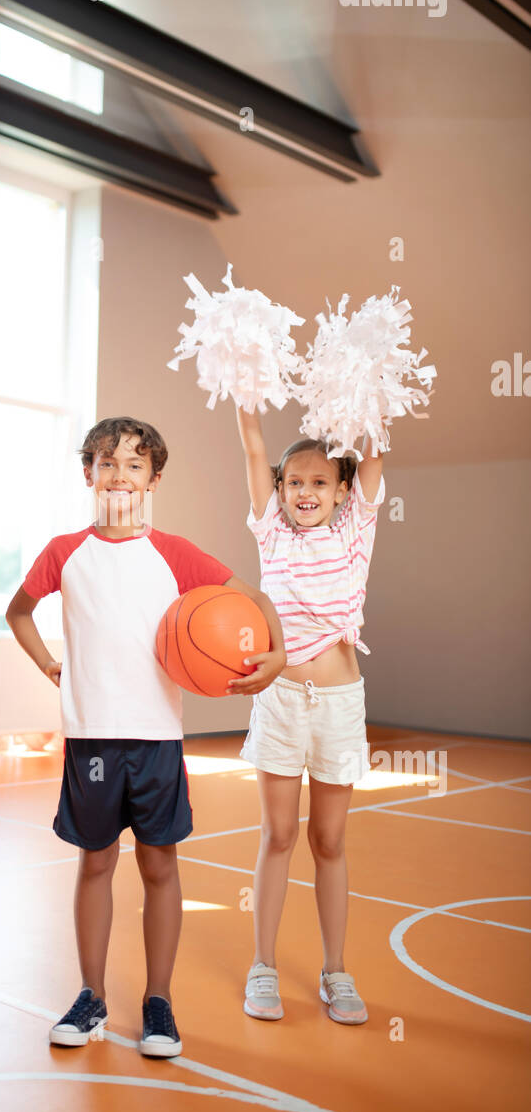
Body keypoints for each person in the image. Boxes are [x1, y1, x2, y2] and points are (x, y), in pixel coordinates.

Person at [6, 417, 286, 1057]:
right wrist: (50, 663)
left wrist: (276, 652)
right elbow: (18, 611)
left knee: (160, 865)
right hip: (91, 740)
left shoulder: (177, 555)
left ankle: (159, 1002)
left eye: (134, 465)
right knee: (96, 863)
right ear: (88, 475)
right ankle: (91, 996)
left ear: (154, 479)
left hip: (157, 739)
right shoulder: (64, 551)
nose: (119, 475)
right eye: (106, 463)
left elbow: (253, 598)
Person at [236, 406, 385, 1024]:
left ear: (342, 491)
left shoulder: (356, 532)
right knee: (278, 835)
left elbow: (376, 453)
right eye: (294, 481)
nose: (304, 492)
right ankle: (263, 967)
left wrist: (372, 393)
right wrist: (244, 392)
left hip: (340, 706)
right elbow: (251, 449)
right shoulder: (271, 532)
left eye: (320, 482)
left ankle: (335, 971)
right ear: (278, 490)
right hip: (280, 703)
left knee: (329, 840)